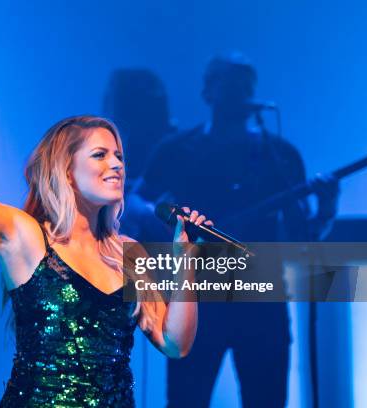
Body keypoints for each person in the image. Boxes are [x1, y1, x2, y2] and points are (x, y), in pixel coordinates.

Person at [0, 16, 214, 407]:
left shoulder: (129, 255)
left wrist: (186, 260)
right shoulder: (27, 238)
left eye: (120, 156)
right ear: (66, 171)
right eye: (100, 155)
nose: (116, 164)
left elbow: (175, 344)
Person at [136, 51, 339, 407]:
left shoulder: (279, 154)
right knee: (186, 399)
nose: (240, 92)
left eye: (246, 84)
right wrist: (171, 221)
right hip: (198, 296)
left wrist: (327, 204)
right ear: (209, 91)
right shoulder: (178, 149)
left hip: (261, 300)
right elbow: (136, 201)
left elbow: (302, 234)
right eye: (230, 83)